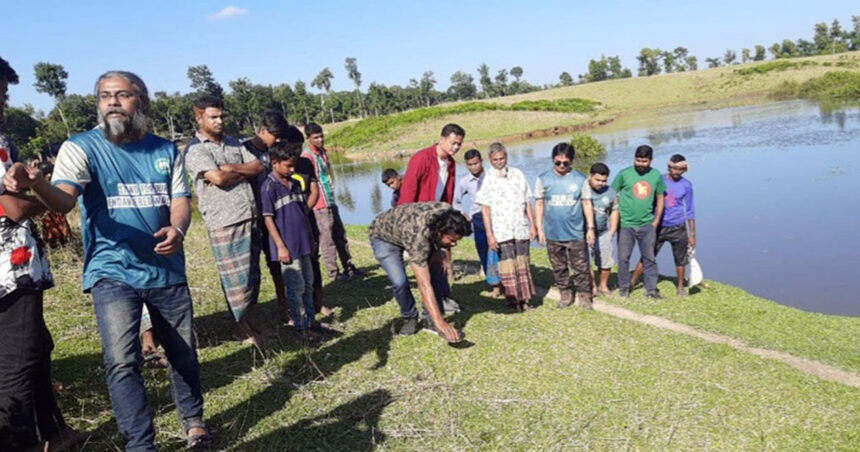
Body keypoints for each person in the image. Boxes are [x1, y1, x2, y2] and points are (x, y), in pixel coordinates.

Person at [5, 70, 211, 451]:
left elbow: (180, 201)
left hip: (167, 270)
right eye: (104, 96)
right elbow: (65, 200)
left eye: (122, 95)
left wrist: (178, 231)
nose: (112, 102)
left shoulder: (165, 150)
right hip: (112, 271)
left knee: (182, 352)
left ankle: (194, 421)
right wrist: (36, 184)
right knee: (121, 362)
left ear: (141, 102)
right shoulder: (81, 147)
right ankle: (139, 444)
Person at [0, 56, 88, 452]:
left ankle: (55, 433)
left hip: (17, 269)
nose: (4, 104)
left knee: (36, 347)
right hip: (9, 270)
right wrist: (48, 198)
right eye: (0, 95)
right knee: (17, 361)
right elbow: (13, 209)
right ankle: (23, 443)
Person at [186, 95, 264, 344]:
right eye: (213, 117)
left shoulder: (233, 143)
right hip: (225, 221)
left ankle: (251, 321)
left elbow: (259, 167)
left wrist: (230, 168)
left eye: (221, 116)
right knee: (235, 279)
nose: (219, 121)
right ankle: (240, 327)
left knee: (252, 274)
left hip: (249, 216)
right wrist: (234, 172)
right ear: (200, 118)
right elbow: (218, 179)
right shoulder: (195, 150)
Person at [368, 202, 470, 342]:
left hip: (411, 230)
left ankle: (430, 321)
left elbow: (437, 247)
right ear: (440, 232)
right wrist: (441, 322)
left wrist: (438, 254)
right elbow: (423, 283)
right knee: (400, 281)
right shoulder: (418, 236)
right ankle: (410, 317)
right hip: (384, 237)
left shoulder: (447, 213)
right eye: (452, 240)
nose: (454, 244)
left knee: (437, 271)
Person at [260, 142, 322, 342]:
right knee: (296, 288)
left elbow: (303, 212)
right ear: (275, 163)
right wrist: (280, 246)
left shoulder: (295, 183)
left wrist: (311, 237)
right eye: (288, 166)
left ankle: (311, 321)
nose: (293, 170)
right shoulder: (269, 187)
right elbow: (268, 219)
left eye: (293, 165)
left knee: (308, 283)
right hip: (288, 248)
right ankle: (301, 328)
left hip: (303, 243)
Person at [475, 142, 538, 311]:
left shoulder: (517, 174)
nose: (499, 162)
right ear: (490, 160)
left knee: (523, 263)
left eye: (502, 158)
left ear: (506, 157)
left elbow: (527, 201)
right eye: (495, 159)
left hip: (520, 228)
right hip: (501, 231)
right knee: (507, 266)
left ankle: (526, 300)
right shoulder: (487, 179)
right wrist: (490, 235)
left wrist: (533, 226)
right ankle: (513, 301)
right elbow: (485, 209)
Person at [534, 143, 595, 309]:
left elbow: (587, 204)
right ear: (553, 160)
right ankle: (565, 294)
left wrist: (590, 228)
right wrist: (539, 229)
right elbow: (539, 204)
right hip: (553, 233)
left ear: (571, 162)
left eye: (565, 163)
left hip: (575, 233)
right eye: (558, 163)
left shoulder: (581, 179)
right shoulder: (543, 179)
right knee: (559, 267)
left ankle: (584, 295)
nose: (561, 166)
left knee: (581, 268)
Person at [302, 123, 362, 280]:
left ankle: (349, 267)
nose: (320, 139)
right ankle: (333, 273)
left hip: (330, 199)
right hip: (319, 204)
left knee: (340, 235)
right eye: (316, 137)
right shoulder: (307, 157)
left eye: (321, 136)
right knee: (327, 239)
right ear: (308, 139)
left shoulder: (323, 153)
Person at [630, 154, 696, 297]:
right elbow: (646, 200)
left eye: (679, 169)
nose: (675, 172)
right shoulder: (659, 179)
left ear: (684, 170)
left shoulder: (687, 185)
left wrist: (692, 235)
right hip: (658, 226)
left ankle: (680, 287)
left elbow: (690, 210)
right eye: (673, 168)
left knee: (680, 259)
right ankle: (631, 283)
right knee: (647, 256)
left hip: (678, 227)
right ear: (669, 167)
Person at [611, 145, 666, 299]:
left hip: (647, 224)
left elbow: (661, 198)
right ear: (634, 159)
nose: (641, 164)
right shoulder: (624, 174)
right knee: (623, 259)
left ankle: (651, 289)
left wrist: (656, 221)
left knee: (649, 258)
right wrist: (615, 216)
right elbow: (613, 193)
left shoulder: (655, 175)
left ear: (651, 160)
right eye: (638, 160)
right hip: (625, 225)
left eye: (644, 161)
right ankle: (624, 287)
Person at [452, 149, 500, 296]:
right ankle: (494, 284)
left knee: (499, 249)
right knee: (483, 250)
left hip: (496, 216)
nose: (473, 167)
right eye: (470, 165)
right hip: (478, 219)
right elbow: (456, 201)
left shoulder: (492, 176)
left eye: (476, 163)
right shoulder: (465, 182)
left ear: (481, 161)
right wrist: (464, 215)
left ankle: (506, 280)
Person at [398, 123, 464, 205]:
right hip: (419, 213)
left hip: (438, 211)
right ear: (442, 139)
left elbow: (449, 193)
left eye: (459, 144)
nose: (456, 147)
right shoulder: (421, 158)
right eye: (453, 143)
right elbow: (408, 191)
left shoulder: (451, 163)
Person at [581, 163, 619, 297]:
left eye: (604, 180)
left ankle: (603, 286)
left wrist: (612, 231)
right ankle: (592, 286)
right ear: (590, 176)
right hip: (583, 233)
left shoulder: (610, 192)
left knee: (606, 260)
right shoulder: (583, 189)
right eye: (598, 180)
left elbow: (614, 211)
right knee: (586, 261)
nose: (601, 183)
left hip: (603, 232)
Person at [35, 162, 72, 248]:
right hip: (51, 238)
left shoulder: (39, 191)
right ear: (48, 176)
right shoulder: (46, 192)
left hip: (56, 239)